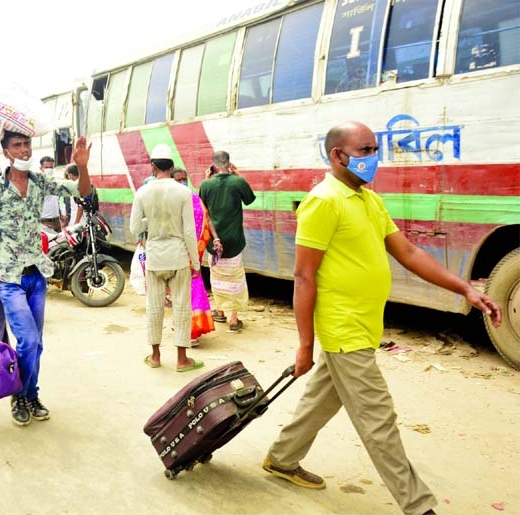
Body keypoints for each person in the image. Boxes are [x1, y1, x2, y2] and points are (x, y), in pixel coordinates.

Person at [261, 121, 502, 515]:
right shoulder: (324, 201)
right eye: (366, 150)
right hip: (343, 328)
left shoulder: (368, 200)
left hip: (365, 324)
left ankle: (282, 458)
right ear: (338, 155)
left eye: (375, 149)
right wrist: (305, 345)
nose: (375, 158)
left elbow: (408, 253)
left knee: (324, 397)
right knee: (378, 419)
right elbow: (304, 277)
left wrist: (465, 289)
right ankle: (419, 506)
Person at [0, 132, 91, 427]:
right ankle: (19, 395)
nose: (24, 150)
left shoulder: (40, 181)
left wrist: (83, 166)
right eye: (17, 146)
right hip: (8, 279)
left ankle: (31, 394)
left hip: (36, 274)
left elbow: (82, 192)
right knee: (28, 339)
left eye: (27, 144)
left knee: (36, 345)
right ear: (6, 152)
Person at [130, 144, 202, 372]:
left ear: (153, 166)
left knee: (154, 306)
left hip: (155, 257)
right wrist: (196, 262)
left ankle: (155, 356)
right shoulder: (183, 192)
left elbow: (134, 228)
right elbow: (189, 232)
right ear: (171, 167)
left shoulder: (142, 193)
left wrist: (150, 222)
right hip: (178, 256)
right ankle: (182, 359)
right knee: (181, 307)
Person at [198, 151, 255, 333]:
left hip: (214, 240)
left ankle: (220, 311)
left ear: (213, 166)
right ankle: (233, 319)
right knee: (235, 277)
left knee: (218, 277)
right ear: (229, 164)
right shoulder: (237, 182)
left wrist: (206, 179)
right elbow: (250, 199)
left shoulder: (206, 184)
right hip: (234, 239)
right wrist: (239, 175)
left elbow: (202, 209)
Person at [172, 168, 216, 344]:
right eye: (179, 180)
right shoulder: (172, 201)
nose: (183, 182)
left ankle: (190, 330)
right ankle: (185, 328)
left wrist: (216, 237)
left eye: (185, 179)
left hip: (191, 254)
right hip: (178, 253)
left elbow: (206, 219)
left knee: (190, 291)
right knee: (180, 293)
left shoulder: (194, 199)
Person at [39, 156, 64, 232]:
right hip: (45, 222)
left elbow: (57, 200)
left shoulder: (56, 182)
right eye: (46, 167)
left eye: (51, 167)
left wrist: (61, 213)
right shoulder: (38, 183)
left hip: (57, 221)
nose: (49, 169)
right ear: (41, 168)